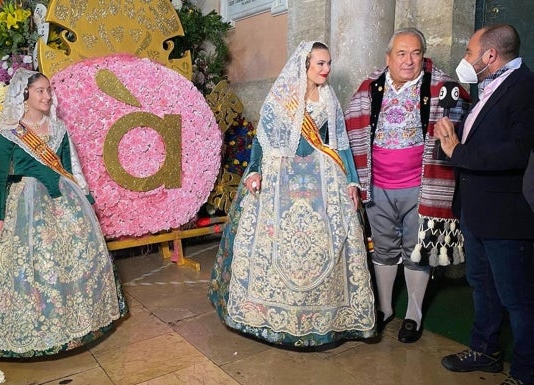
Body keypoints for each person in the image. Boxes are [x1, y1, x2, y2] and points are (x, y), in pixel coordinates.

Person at [208, 41, 376, 348]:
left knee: (325, 242)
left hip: (322, 176)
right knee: (275, 240)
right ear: (306, 65)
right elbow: (262, 139)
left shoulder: (328, 98)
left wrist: (352, 181)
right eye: (320, 64)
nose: (326, 69)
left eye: (328, 63)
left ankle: (324, 316)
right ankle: (268, 313)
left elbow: (340, 144)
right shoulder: (283, 97)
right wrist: (256, 169)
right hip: (280, 173)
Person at [0, 69, 129, 357]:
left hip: (64, 202)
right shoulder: (10, 133)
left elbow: (71, 167)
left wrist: (86, 199)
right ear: (24, 94)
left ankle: (78, 323)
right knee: (30, 267)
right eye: (40, 90)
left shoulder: (59, 129)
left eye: (49, 90)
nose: (47, 95)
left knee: (72, 260)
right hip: (25, 207)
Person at [345, 27, 470, 343]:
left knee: (417, 251)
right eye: (401, 53)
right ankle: (385, 309)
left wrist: (451, 123)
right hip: (377, 187)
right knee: (384, 247)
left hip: (421, 187)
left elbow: (464, 118)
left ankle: (413, 314)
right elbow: (348, 127)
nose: (409, 60)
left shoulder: (442, 87)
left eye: (416, 53)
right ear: (388, 57)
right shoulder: (369, 89)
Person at [435, 24, 534, 385]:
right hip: (477, 212)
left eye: (469, 51)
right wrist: (451, 142)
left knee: (518, 299)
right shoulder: (488, 88)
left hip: (507, 216)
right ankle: (485, 351)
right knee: (483, 286)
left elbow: (517, 151)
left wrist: (460, 152)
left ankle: (525, 372)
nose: (465, 58)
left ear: (490, 55)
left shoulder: (524, 87)